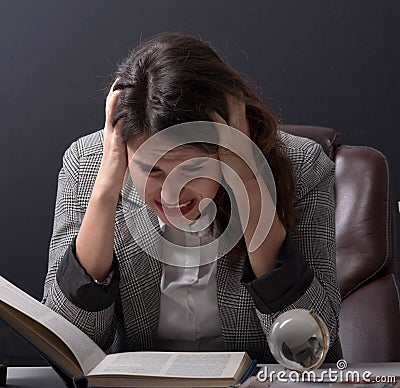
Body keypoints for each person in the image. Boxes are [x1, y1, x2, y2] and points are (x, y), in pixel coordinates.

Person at [42, 32, 342, 363]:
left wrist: (246, 178)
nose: (172, 192)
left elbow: (311, 345)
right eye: (153, 171)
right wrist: (106, 191)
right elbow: (64, 343)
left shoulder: (302, 166)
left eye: (193, 169)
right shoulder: (87, 166)